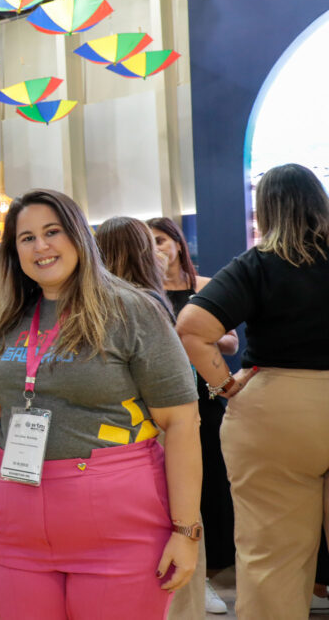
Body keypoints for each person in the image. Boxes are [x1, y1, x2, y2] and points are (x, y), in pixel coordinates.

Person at [0, 189, 202, 619]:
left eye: (52, 232)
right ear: (14, 252)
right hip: (16, 520)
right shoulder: (7, 319)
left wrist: (186, 530)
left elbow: (181, 424)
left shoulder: (132, 310)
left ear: (79, 235)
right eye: (26, 238)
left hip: (117, 524)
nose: (41, 246)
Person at [177, 163, 329, 619]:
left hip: (276, 409)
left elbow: (191, 328)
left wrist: (223, 386)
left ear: (264, 209)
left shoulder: (256, 264)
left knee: (271, 556)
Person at [96, 216, 212, 619]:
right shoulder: (145, 302)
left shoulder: (127, 303)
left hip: (138, 441)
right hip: (153, 440)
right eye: (151, 244)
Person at [148, 215, 239, 615]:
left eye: (163, 239)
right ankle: (195, 579)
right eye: (148, 241)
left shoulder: (204, 288)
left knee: (217, 487)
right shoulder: (144, 294)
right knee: (181, 491)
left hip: (206, 398)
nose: (157, 247)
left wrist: (192, 333)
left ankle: (215, 571)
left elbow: (233, 341)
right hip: (165, 406)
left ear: (178, 244)